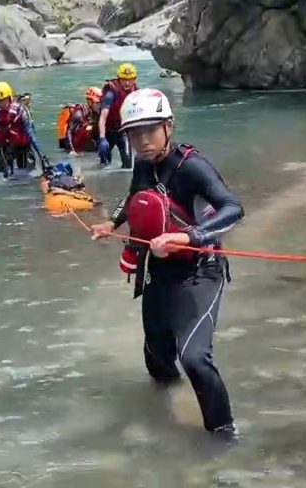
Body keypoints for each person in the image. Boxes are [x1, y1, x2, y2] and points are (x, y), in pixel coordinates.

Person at [89, 88, 244, 439]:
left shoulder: (192, 166)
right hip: (159, 270)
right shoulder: (144, 163)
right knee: (157, 356)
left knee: (194, 358)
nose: (142, 140)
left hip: (200, 271)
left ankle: (223, 437)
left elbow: (233, 209)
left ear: (168, 126)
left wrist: (190, 237)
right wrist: (111, 224)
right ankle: (164, 416)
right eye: (134, 133)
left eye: (150, 131)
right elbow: (132, 199)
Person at [0, 81, 49, 178]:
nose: (1, 103)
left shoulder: (20, 110)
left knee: (24, 174)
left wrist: (41, 155)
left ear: (10, 98)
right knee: (5, 174)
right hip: (3, 146)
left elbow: (30, 133)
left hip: (21, 146)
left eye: (4, 100)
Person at [98, 63, 138, 168]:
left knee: (128, 164)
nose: (127, 83)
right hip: (107, 130)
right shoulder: (111, 93)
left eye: (130, 79)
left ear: (134, 79)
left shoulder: (136, 92)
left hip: (123, 130)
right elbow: (102, 117)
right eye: (124, 79)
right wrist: (102, 138)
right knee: (104, 164)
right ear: (119, 79)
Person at [58, 86, 103, 153]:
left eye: (101, 103)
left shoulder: (100, 112)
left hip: (89, 141)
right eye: (97, 103)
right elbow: (69, 132)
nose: (100, 105)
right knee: (89, 128)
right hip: (75, 141)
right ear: (90, 102)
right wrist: (72, 151)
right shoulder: (79, 113)